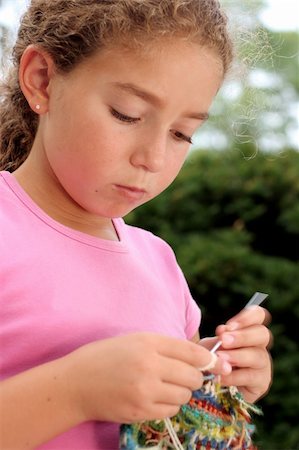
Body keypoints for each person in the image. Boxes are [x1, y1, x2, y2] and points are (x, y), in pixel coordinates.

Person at [0, 1, 272, 449]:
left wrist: (215, 376)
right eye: (127, 114)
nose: (154, 158)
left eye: (182, 133)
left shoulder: (159, 261)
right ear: (42, 80)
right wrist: (75, 391)